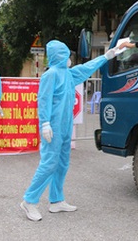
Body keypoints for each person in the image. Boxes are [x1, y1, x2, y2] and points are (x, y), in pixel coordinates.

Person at [20, 40, 123, 221]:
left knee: (62, 163)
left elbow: (87, 67)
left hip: (65, 126)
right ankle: (29, 201)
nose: (69, 58)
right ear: (60, 56)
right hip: (52, 127)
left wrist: (109, 55)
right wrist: (44, 123)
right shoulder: (50, 75)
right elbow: (43, 100)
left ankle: (56, 200)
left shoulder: (68, 74)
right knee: (49, 163)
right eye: (67, 55)